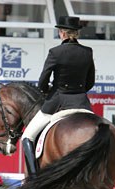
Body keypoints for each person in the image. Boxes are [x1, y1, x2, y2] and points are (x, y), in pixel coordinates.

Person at [21, 16, 95, 177]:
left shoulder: (55, 52)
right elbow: (90, 82)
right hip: (82, 102)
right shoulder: (87, 52)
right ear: (77, 33)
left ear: (62, 33)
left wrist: (48, 91)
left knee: (27, 136)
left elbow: (42, 82)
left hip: (57, 102)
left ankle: (33, 179)